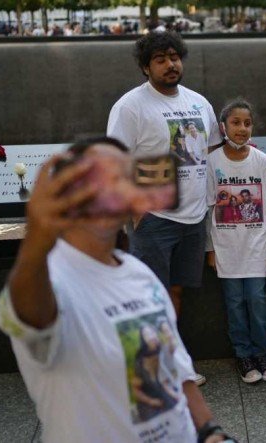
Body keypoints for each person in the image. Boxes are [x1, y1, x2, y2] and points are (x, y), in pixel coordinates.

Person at [0, 138, 232, 443]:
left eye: (121, 179)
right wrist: (37, 240)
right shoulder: (50, 279)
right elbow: (31, 313)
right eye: (94, 180)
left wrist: (211, 431)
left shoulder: (138, 272)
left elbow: (175, 367)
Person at [106, 32, 223, 386]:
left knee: (175, 291)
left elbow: (214, 151)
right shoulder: (131, 106)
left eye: (174, 56)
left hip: (193, 216)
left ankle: (172, 363)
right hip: (154, 219)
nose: (170, 64)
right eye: (160, 59)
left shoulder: (199, 103)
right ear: (146, 67)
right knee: (146, 295)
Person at [206, 99, 266, 384]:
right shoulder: (213, 163)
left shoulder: (261, 161)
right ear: (223, 127)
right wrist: (209, 249)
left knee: (257, 301)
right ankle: (243, 355)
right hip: (227, 249)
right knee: (234, 303)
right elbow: (209, 208)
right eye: (236, 123)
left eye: (247, 123)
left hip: (255, 247)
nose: (242, 128)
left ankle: (262, 353)